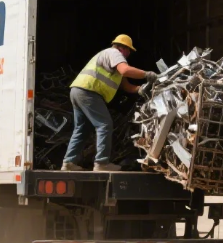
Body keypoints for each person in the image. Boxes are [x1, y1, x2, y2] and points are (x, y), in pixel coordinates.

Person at [63, 35, 157, 172]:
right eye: (129, 50)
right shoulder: (114, 53)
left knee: (82, 129)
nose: (129, 54)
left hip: (78, 91)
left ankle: (68, 163)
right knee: (104, 124)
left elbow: (125, 85)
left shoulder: (112, 61)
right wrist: (146, 74)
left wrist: (139, 89)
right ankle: (101, 163)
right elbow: (126, 70)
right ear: (121, 48)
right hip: (89, 92)